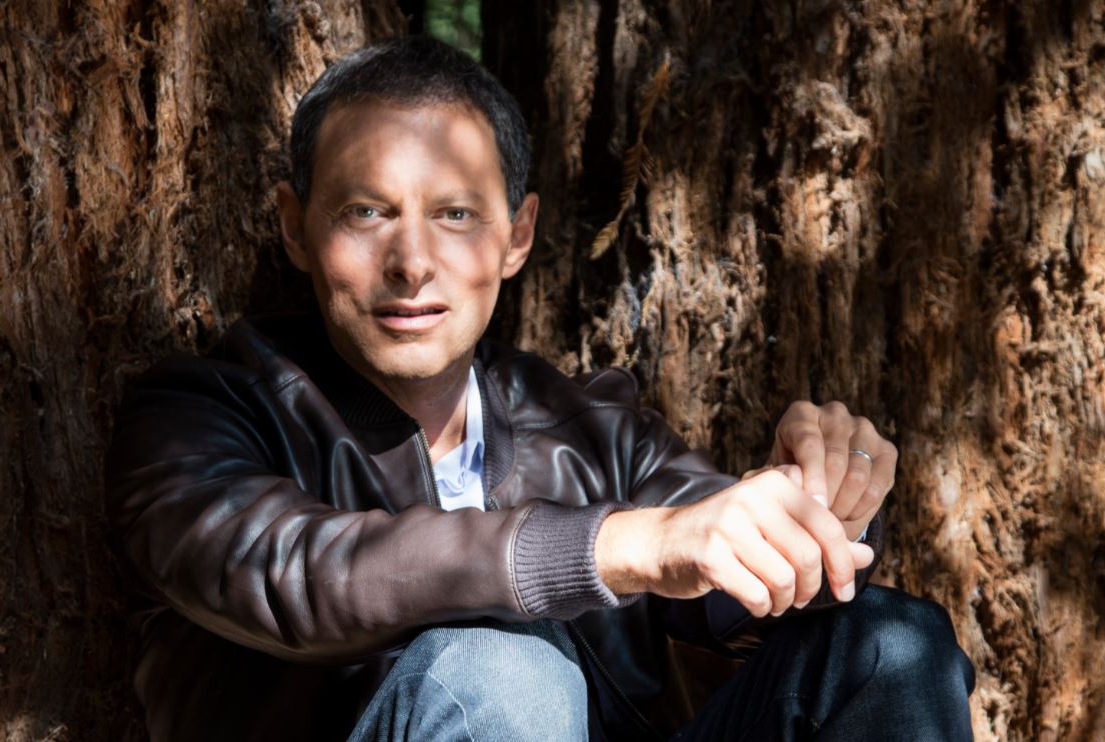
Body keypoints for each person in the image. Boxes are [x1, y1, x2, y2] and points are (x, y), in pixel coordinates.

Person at [105, 36, 975, 741]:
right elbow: (298, 571)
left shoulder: (591, 427)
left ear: (517, 235)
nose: (412, 263)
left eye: (455, 214)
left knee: (889, 645)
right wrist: (623, 546)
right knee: (502, 671)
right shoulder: (199, 417)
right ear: (296, 228)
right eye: (366, 212)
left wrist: (820, 508)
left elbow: (723, 573)